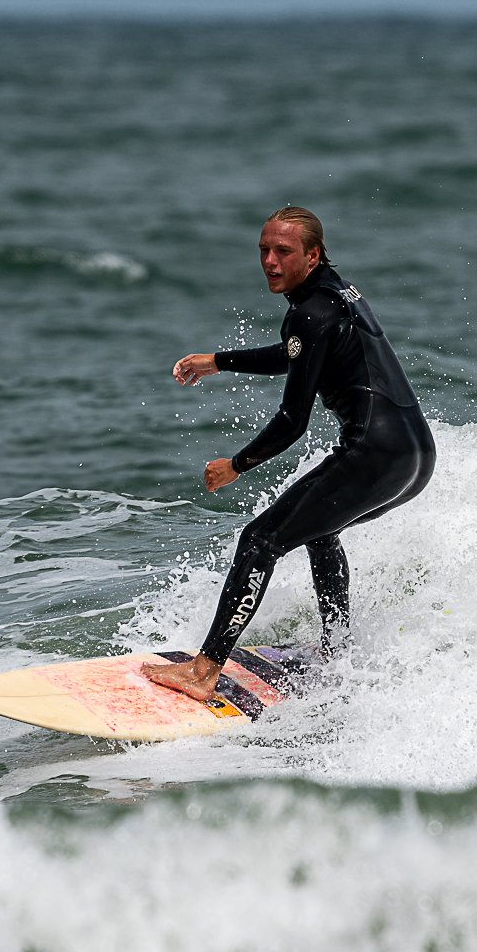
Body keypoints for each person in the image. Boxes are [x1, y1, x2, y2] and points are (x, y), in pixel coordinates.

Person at [143, 207, 436, 702]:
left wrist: (237, 465)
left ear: (312, 254)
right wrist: (218, 362)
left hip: (372, 451)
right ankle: (337, 653)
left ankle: (204, 670)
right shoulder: (338, 293)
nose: (270, 261)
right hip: (415, 454)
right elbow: (300, 353)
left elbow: (292, 421)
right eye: (264, 250)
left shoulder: (309, 311)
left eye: (283, 251)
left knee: (259, 541)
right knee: (319, 532)